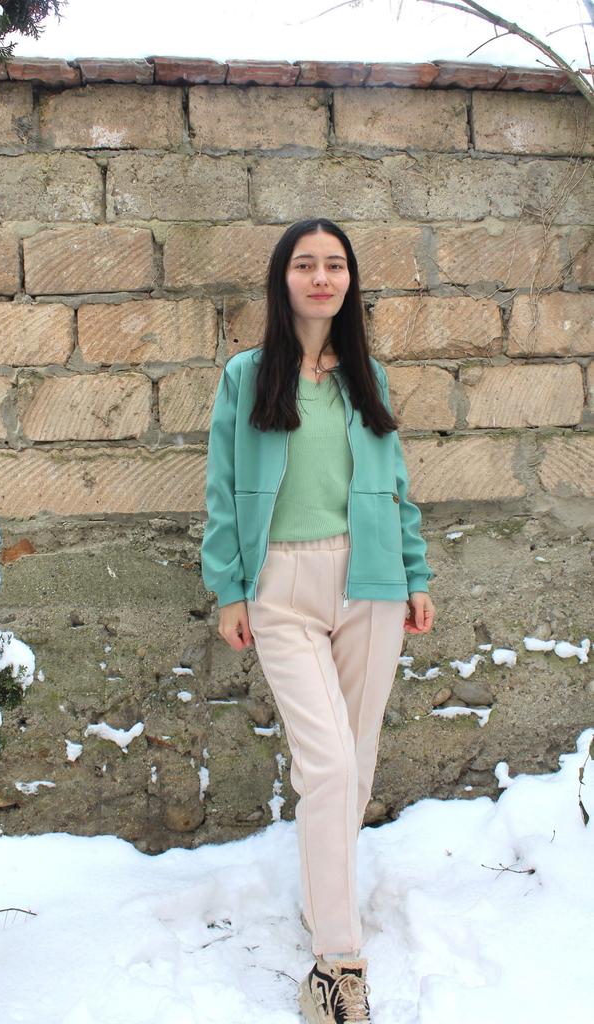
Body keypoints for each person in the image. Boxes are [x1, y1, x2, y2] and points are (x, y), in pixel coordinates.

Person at [200, 217, 436, 1024]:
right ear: (283, 279)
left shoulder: (365, 376)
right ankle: (338, 964)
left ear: (348, 282)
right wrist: (229, 589)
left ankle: (322, 902)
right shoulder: (246, 376)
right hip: (280, 588)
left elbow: (396, 483)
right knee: (329, 767)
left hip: (370, 581)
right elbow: (221, 487)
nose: (321, 277)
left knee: (352, 766)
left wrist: (414, 574)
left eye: (334, 265)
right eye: (305, 264)